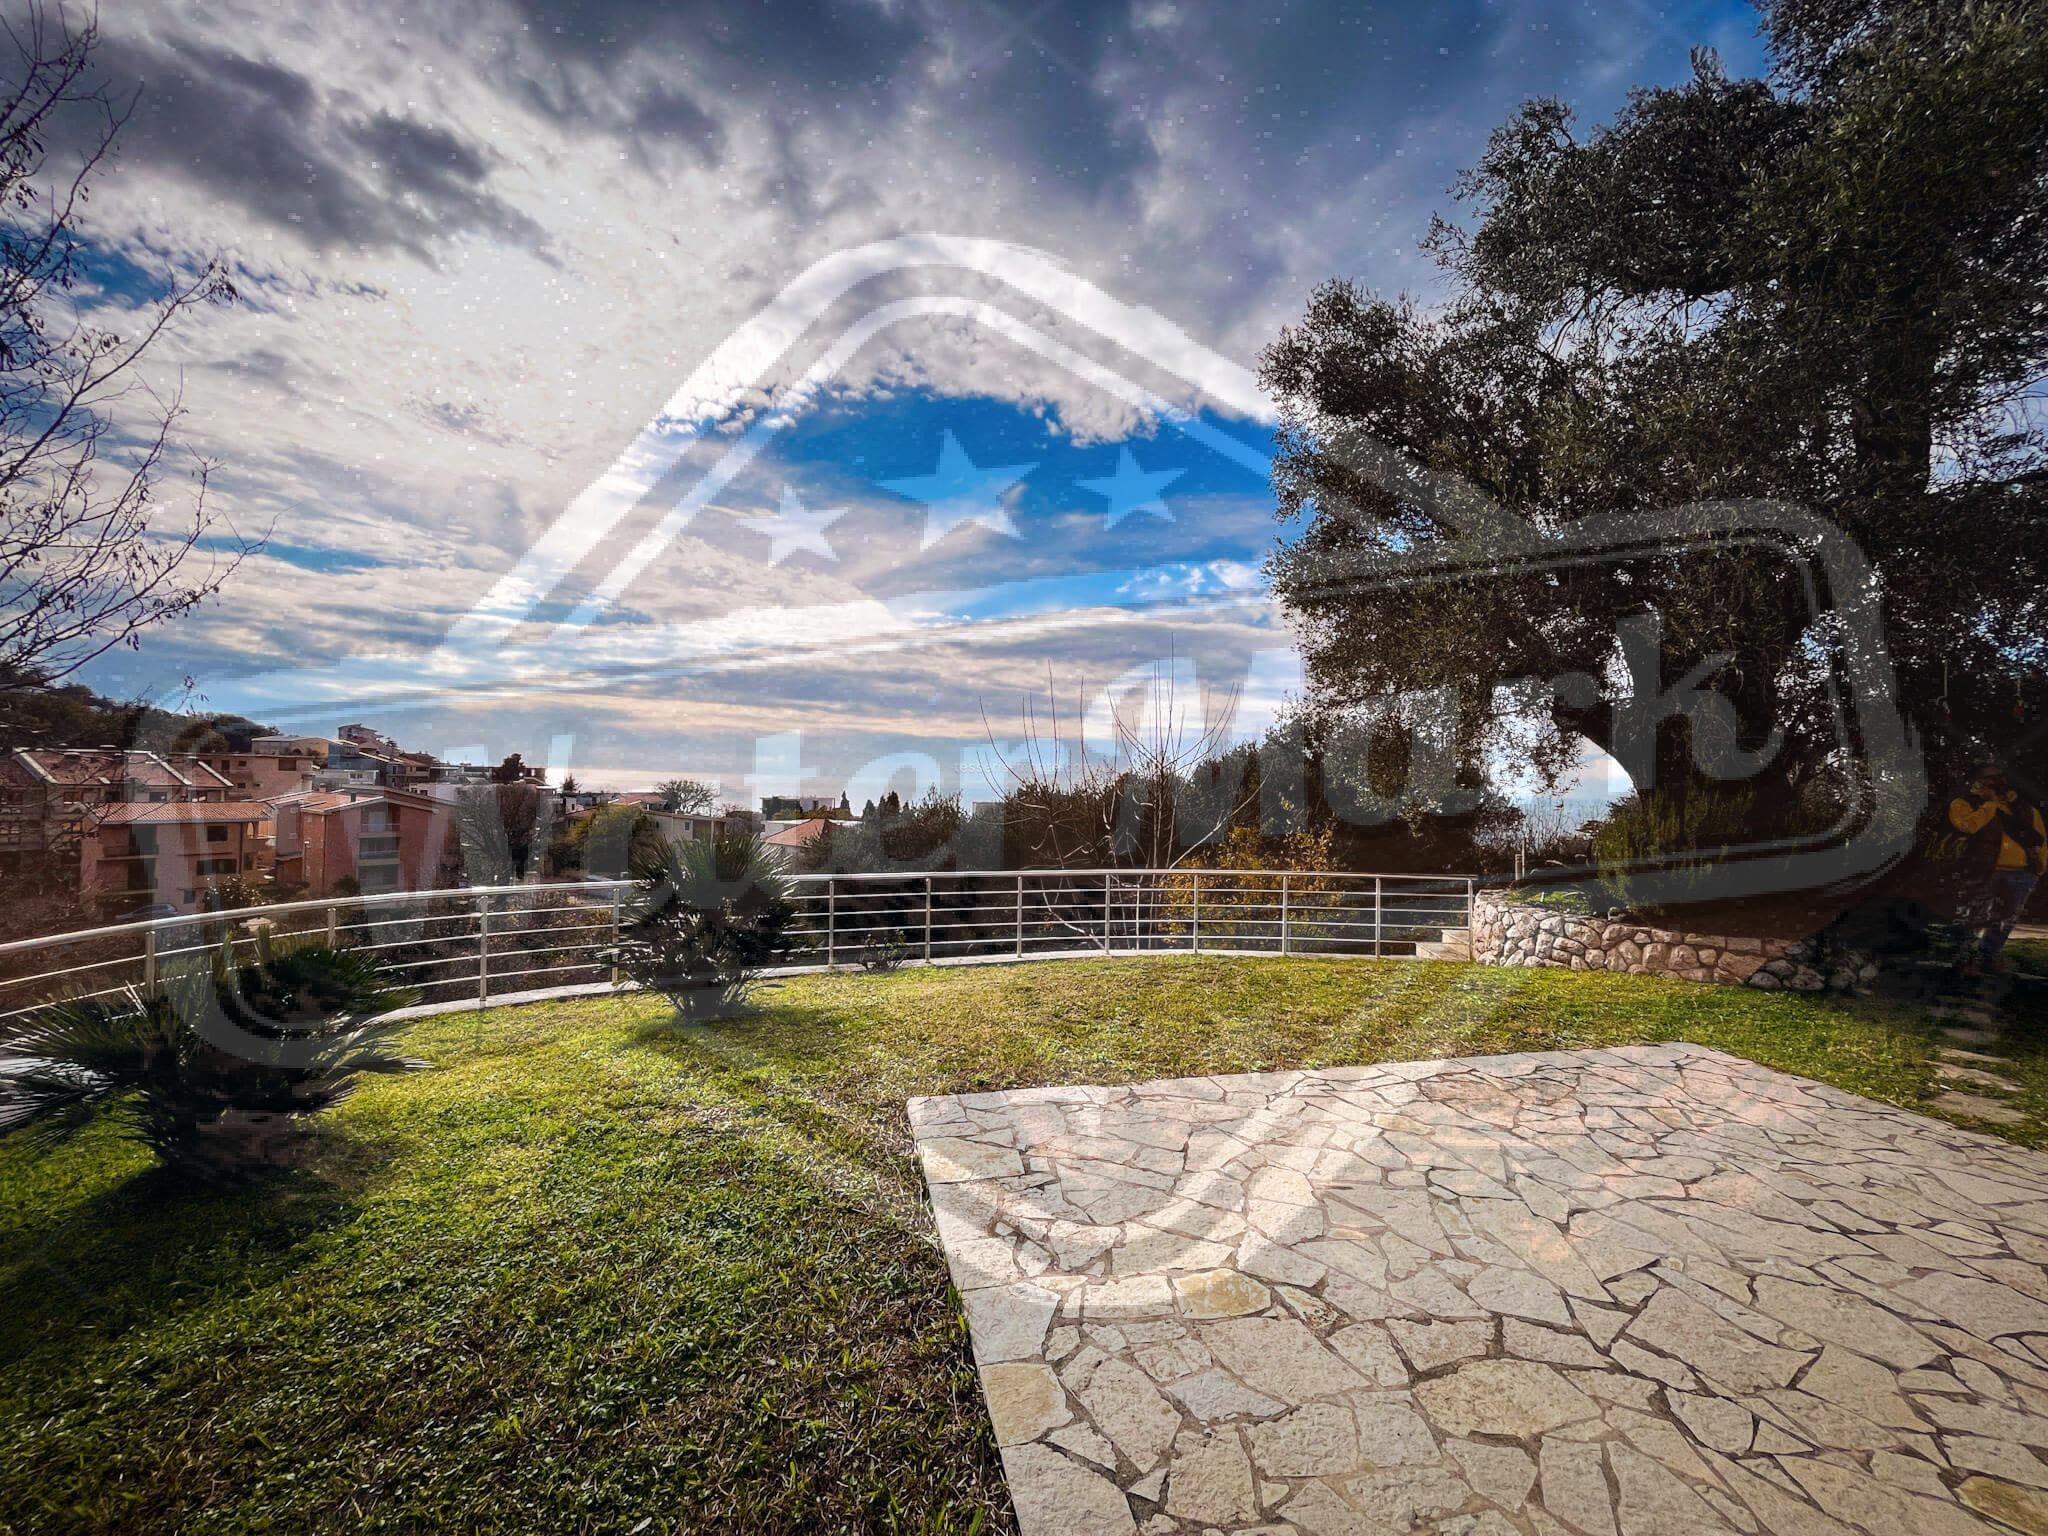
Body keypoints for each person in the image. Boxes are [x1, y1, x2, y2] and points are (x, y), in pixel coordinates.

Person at [1948, 766, 2047, 972]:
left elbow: (2041, 839)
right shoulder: (1964, 804)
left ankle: (1988, 958)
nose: (1995, 781)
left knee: (2005, 920)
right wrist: (1990, 803)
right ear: (1976, 781)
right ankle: (1963, 958)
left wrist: (2039, 867)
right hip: (1983, 871)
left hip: (2022, 873)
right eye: (1989, 778)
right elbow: (1968, 826)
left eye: (1999, 777)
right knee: (1972, 916)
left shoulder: (2024, 808)